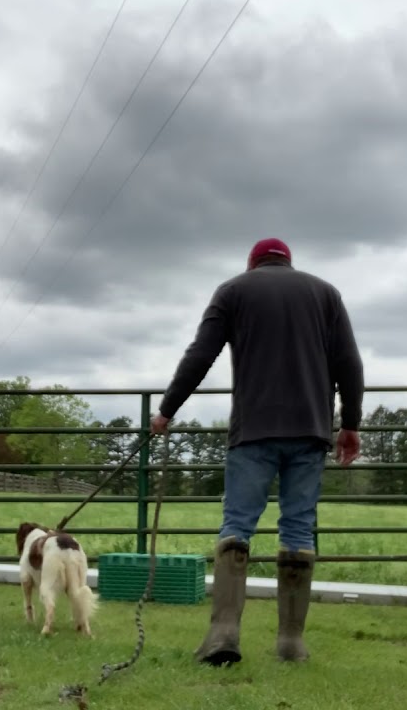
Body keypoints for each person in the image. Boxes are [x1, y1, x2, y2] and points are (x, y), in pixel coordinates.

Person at [152, 237, 364, 666]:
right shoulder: (326, 294)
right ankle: (291, 643)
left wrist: (167, 409)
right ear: (288, 262)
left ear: (253, 263)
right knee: (299, 529)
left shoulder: (233, 290)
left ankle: (223, 635)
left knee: (237, 525)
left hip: (253, 430)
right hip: (310, 430)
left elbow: (201, 354)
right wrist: (351, 425)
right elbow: (349, 362)